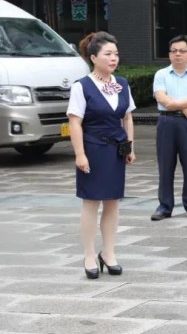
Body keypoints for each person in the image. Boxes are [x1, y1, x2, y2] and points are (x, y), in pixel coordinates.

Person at [68, 32, 136, 279]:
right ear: (93, 57)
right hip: (93, 150)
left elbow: (127, 117)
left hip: (116, 150)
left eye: (116, 54)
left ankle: (108, 253)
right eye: (108, 54)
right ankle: (89, 254)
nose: (113, 58)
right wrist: (80, 154)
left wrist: (129, 148)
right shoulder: (82, 86)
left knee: (112, 202)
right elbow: (75, 122)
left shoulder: (122, 84)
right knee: (91, 203)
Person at [151, 35, 187, 221]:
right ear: (169, 54)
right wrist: (184, 107)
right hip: (167, 122)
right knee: (165, 165)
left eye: (182, 51)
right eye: (174, 51)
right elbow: (162, 99)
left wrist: (178, 105)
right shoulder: (161, 74)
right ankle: (164, 207)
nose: (178, 54)